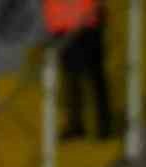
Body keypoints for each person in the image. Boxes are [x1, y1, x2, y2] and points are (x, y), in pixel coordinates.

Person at [45, 0, 113, 140]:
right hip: (67, 24)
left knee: (92, 75)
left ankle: (101, 124)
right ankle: (82, 124)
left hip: (82, 22)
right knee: (74, 77)